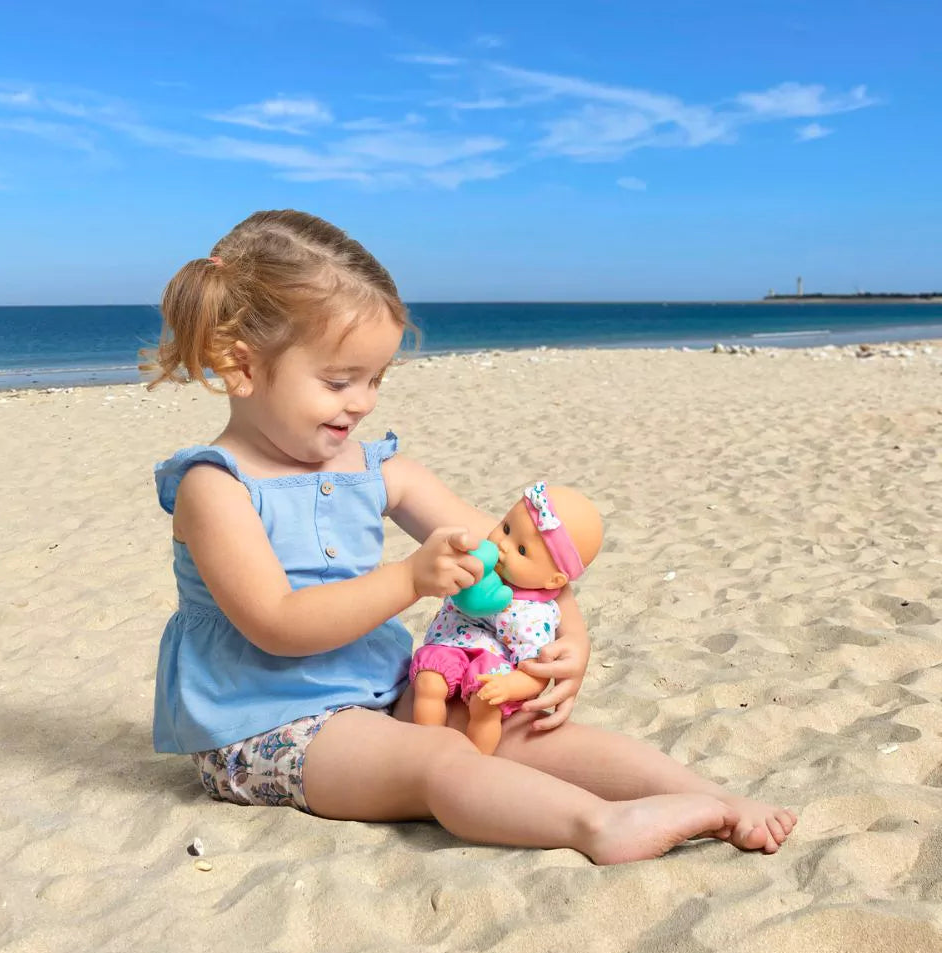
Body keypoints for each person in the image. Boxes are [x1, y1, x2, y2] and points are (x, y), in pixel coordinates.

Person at [147, 209, 797, 864]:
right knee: (441, 758)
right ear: (240, 364)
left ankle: (713, 800)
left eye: (376, 380)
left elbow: (524, 561)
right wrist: (408, 578)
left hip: (389, 695)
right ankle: (596, 827)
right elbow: (277, 623)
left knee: (514, 726)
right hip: (268, 728)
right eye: (339, 382)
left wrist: (572, 639)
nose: (364, 402)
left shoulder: (379, 470)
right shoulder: (216, 488)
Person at [410, 481, 603, 754]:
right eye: (506, 528)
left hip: (495, 667)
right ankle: (426, 747)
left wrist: (508, 686)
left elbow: (536, 672)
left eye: (522, 551)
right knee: (428, 682)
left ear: (553, 580)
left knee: (485, 705)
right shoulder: (480, 565)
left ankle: (475, 759)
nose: (503, 546)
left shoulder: (535, 615)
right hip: (452, 644)